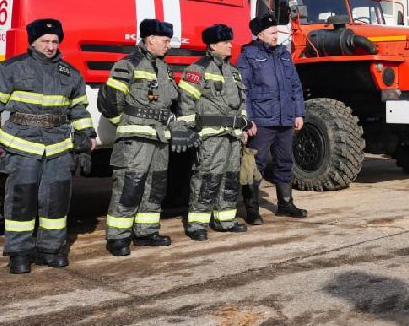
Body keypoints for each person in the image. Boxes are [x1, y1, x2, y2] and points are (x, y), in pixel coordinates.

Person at [0, 19, 97, 274]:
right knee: (21, 201)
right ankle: (19, 254)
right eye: (45, 41)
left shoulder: (71, 73)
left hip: (58, 147)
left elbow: (79, 109)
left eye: (54, 42)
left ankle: (50, 251)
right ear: (32, 41)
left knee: (56, 202)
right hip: (21, 144)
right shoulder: (10, 69)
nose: (50, 46)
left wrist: (88, 136)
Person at [99, 18, 197, 256]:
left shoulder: (164, 68)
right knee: (129, 187)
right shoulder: (127, 65)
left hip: (160, 138)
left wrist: (178, 127)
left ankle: (146, 232)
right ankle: (118, 237)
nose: (168, 45)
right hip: (135, 141)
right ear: (150, 39)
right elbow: (110, 103)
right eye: (165, 41)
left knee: (155, 187)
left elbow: (171, 103)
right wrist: (127, 125)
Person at [179, 24, 255, 239]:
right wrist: (188, 131)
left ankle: (225, 220)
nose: (231, 46)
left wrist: (243, 126)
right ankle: (197, 225)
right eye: (225, 43)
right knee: (207, 178)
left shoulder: (233, 72)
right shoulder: (197, 69)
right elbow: (186, 103)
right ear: (212, 45)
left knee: (230, 178)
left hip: (232, 136)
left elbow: (241, 103)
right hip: (210, 136)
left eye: (230, 42)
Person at [238, 13, 308, 218]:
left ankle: (285, 205)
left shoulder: (284, 54)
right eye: (272, 31)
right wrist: (248, 120)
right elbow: (244, 90)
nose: (276, 35)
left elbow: (295, 86)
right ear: (260, 34)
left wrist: (298, 113)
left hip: (285, 119)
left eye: (277, 31)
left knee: (285, 161)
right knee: (255, 164)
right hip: (261, 121)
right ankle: (251, 209)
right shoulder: (248, 55)